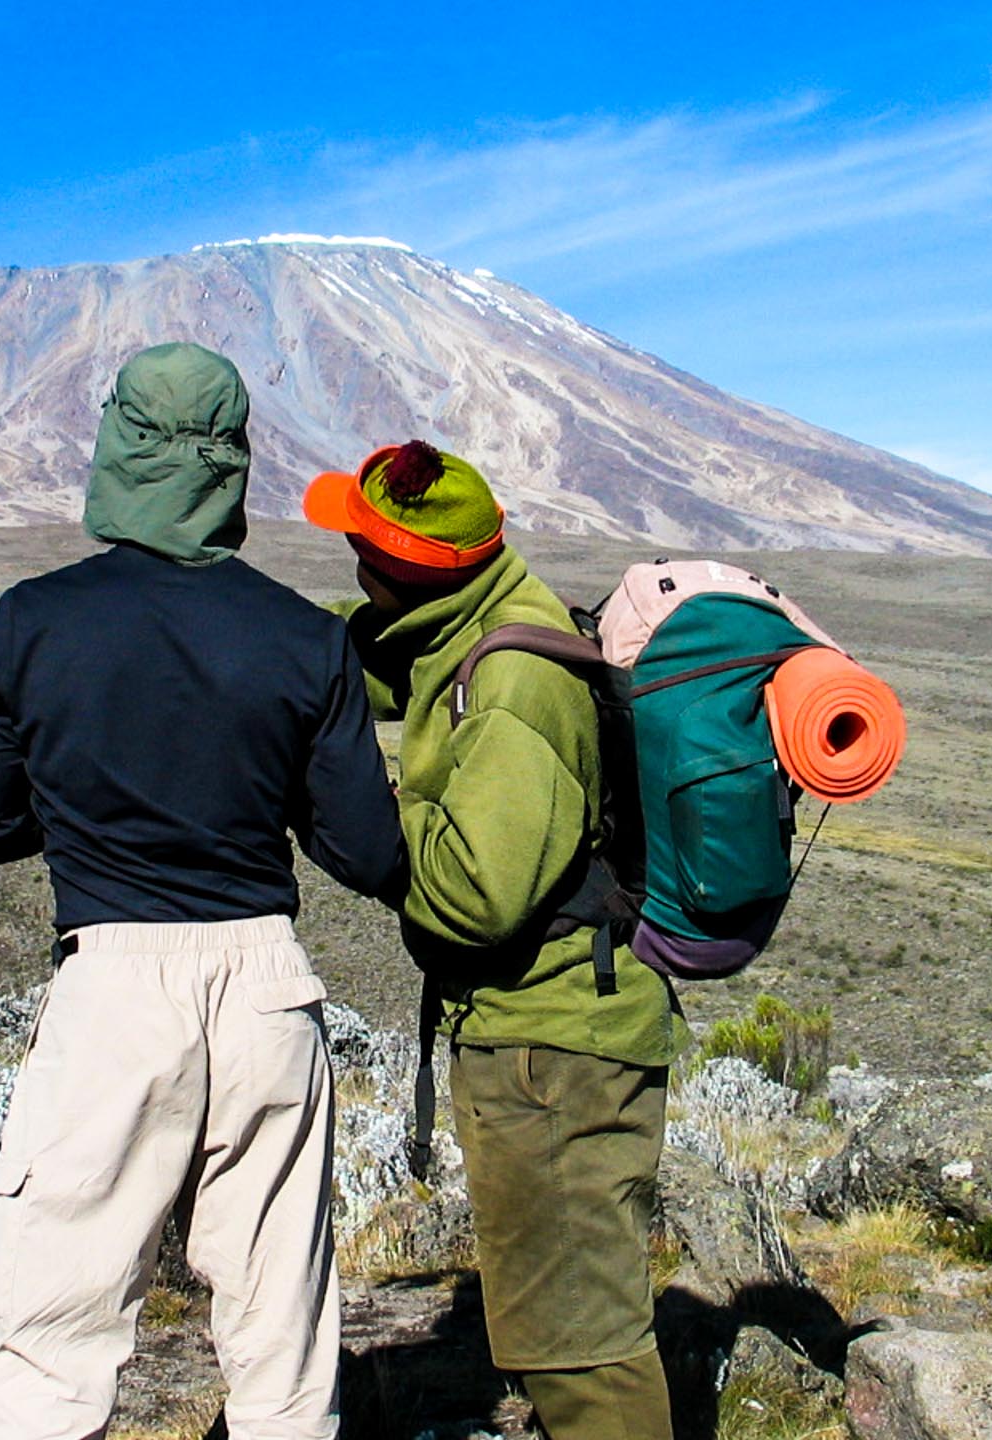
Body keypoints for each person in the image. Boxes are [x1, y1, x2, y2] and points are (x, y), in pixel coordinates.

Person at [0, 342, 408, 1440]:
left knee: (46, 1330)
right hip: (265, 995)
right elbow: (370, 855)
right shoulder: (304, 638)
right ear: (233, 465)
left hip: (111, 993)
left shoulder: (34, 620)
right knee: (280, 1331)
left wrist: (82, 804)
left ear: (118, 449)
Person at [301, 441, 688, 1440]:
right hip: (542, 1036)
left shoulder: (513, 683)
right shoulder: (462, 624)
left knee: (580, 1352)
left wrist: (369, 817)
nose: (349, 558)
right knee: (565, 1328)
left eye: (359, 547)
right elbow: (383, 660)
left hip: (557, 1048)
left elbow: (477, 898)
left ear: (408, 570)